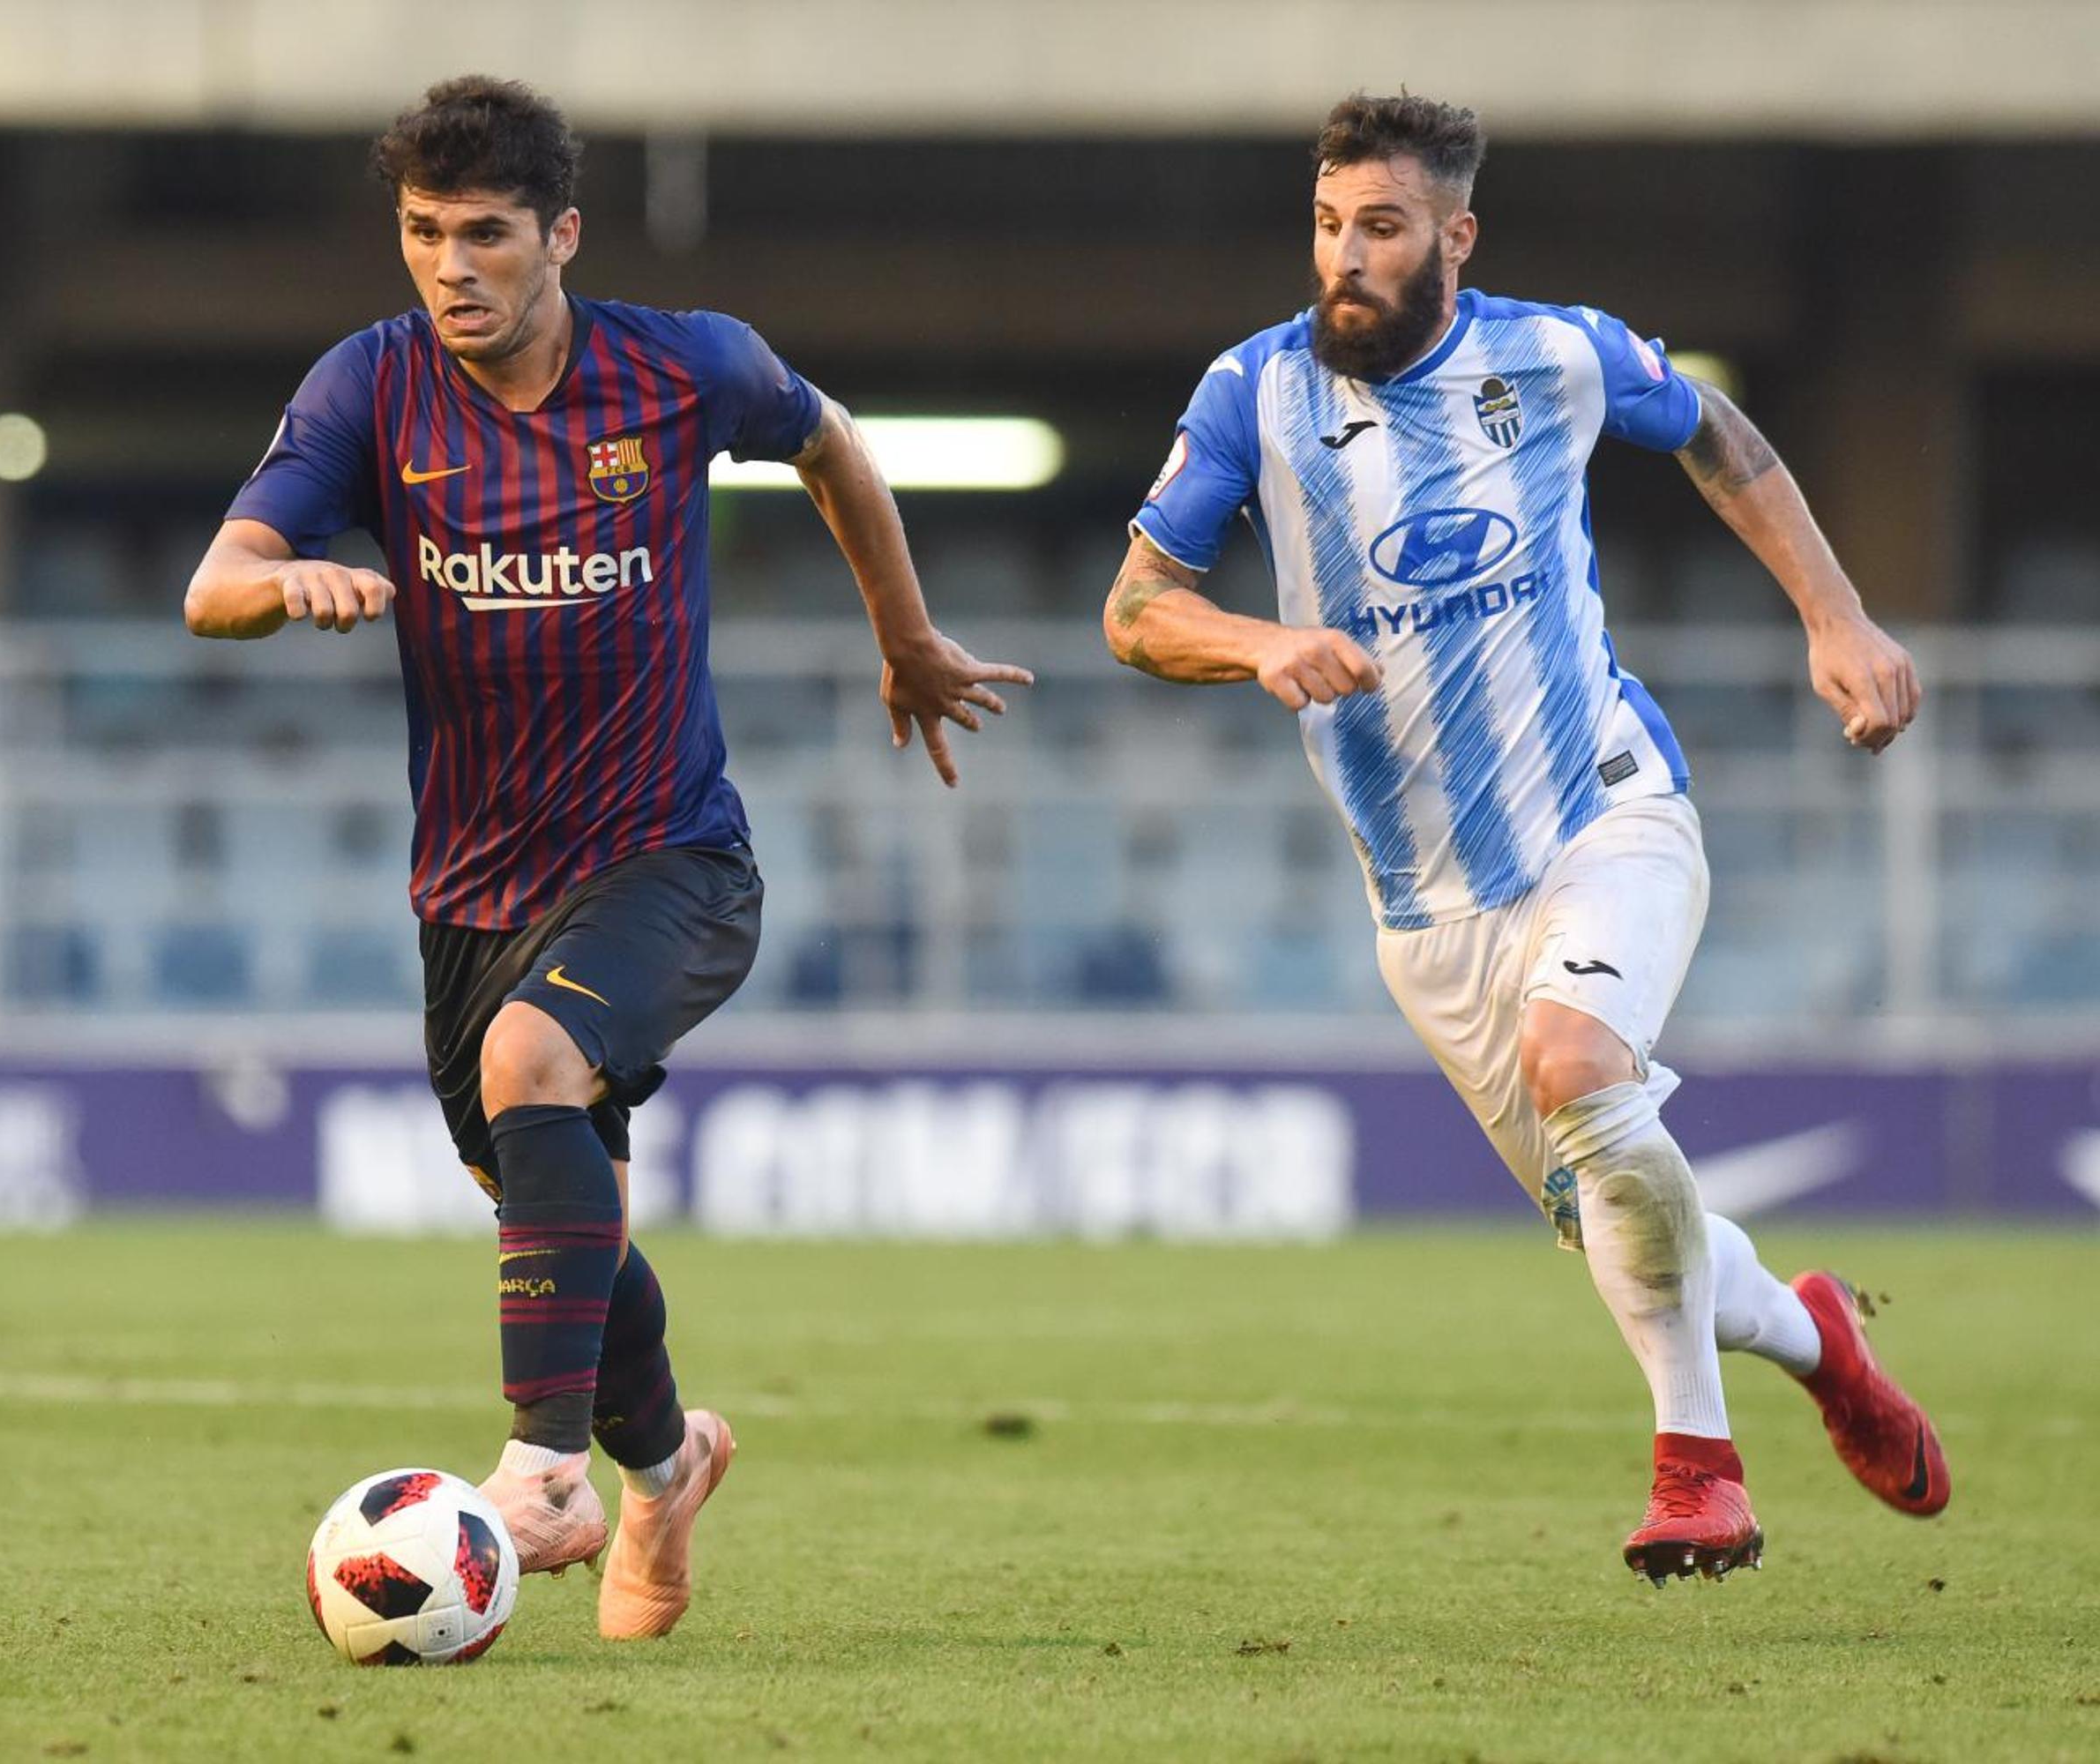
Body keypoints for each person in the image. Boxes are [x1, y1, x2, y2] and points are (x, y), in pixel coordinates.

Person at [184, 76, 1028, 1636]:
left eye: (486, 235)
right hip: (470, 896)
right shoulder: (370, 391)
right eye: (424, 234)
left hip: (674, 861)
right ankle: (665, 1469)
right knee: (566, 1224)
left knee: (531, 1065)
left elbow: (831, 440)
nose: (451, 268)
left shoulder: (681, 366)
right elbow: (212, 583)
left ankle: (540, 1474)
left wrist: (905, 641)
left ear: (559, 236)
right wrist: (285, 581)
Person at [1100, 93, 1947, 1582]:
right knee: (1622, 1209)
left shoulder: (1554, 354)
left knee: (1582, 1070)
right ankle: (1816, 1337)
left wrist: (1835, 616)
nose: (1345, 258)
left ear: (1454, 235)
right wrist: (1257, 642)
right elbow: (1136, 609)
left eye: (1382, 227)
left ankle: (1699, 1473)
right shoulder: (1257, 395)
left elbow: (1723, 434)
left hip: (1607, 807)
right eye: (1327, 225)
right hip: (1429, 914)